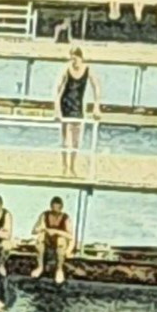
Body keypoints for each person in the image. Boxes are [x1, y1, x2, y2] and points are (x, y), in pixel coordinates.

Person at [54, 48, 101, 177]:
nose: (73, 61)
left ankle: (73, 166)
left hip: (78, 105)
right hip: (66, 103)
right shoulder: (67, 69)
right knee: (66, 139)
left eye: (75, 58)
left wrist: (96, 106)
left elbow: (96, 86)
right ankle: (65, 166)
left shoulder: (88, 69)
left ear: (81, 57)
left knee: (76, 140)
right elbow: (57, 88)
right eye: (71, 58)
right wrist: (57, 108)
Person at [30, 196, 76, 284]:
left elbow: (70, 236)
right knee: (40, 238)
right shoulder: (45, 215)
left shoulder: (65, 218)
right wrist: (42, 228)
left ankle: (59, 269)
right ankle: (40, 267)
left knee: (61, 241)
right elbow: (34, 230)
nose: (55, 210)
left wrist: (56, 231)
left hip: (59, 241)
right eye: (53, 207)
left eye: (58, 208)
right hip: (48, 239)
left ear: (61, 208)